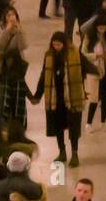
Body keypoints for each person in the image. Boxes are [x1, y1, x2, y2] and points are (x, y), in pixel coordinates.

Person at [30, 30, 84, 167]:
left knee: (73, 127)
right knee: (58, 127)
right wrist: (37, 94)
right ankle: (62, 152)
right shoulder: (49, 56)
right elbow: (44, 76)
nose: (56, 47)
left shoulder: (75, 54)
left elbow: (86, 66)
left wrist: (98, 72)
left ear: (64, 44)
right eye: (54, 45)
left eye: (59, 44)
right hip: (55, 98)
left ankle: (75, 153)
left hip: (71, 97)